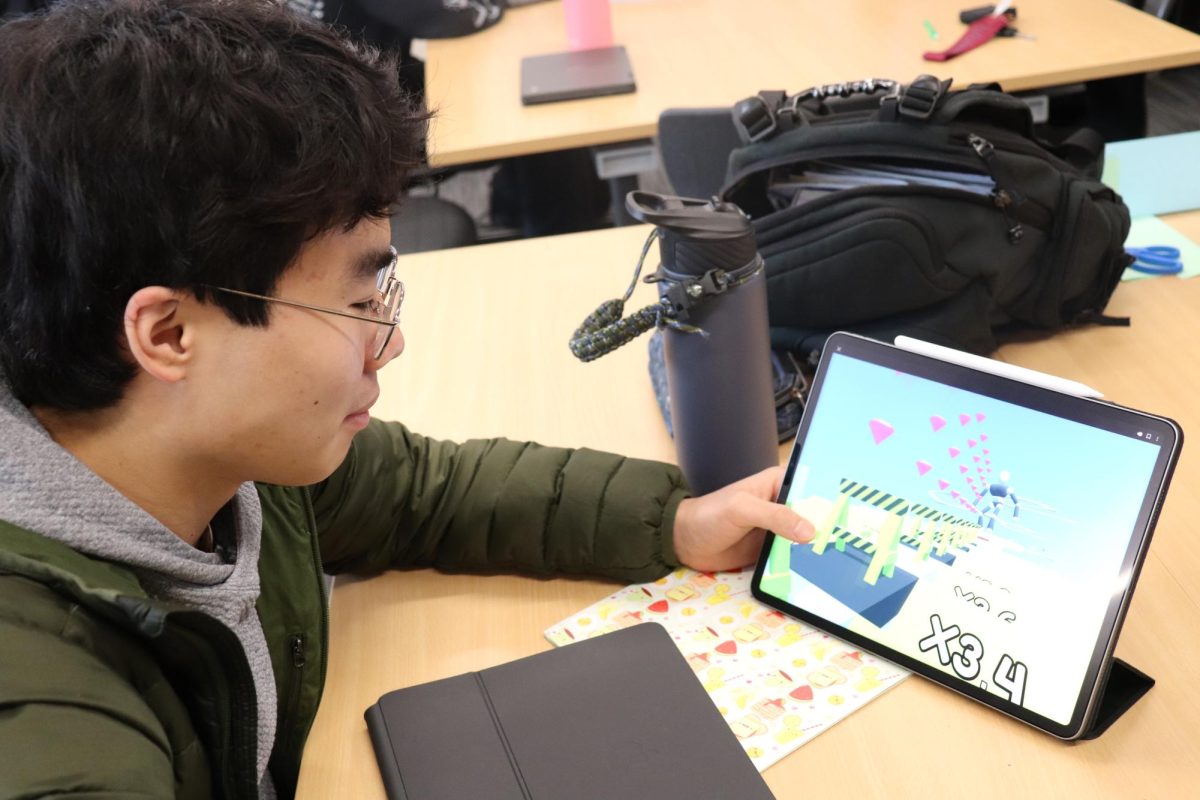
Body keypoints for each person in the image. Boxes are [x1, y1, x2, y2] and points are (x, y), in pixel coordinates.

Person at [0, 1, 814, 798]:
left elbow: (421, 492)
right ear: (170, 334)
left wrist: (676, 520)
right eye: (356, 305)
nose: (389, 343)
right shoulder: (48, 716)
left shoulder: (235, 467)